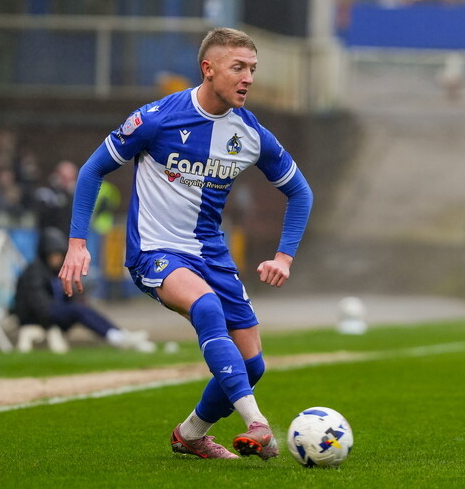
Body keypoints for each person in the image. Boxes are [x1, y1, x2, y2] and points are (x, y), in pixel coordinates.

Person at [58, 27, 314, 461]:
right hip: (154, 250)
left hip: (211, 253)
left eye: (252, 69)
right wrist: (77, 242)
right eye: (238, 67)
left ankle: (191, 434)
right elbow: (91, 171)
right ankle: (257, 422)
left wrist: (284, 257)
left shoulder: (250, 133)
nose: (248, 78)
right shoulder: (156, 118)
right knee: (207, 308)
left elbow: (300, 192)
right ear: (208, 69)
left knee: (252, 365)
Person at [14, 228, 154, 353]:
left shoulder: (54, 271)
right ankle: (117, 337)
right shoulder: (34, 272)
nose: (57, 259)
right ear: (45, 254)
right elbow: (39, 305)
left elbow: (63, 295)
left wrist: (75, 297)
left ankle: (118, 334)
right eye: (53, 255)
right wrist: (65, 309)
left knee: (83, 307)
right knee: (78, 310)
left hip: (53, 311)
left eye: (59, 255)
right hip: (37, 317)